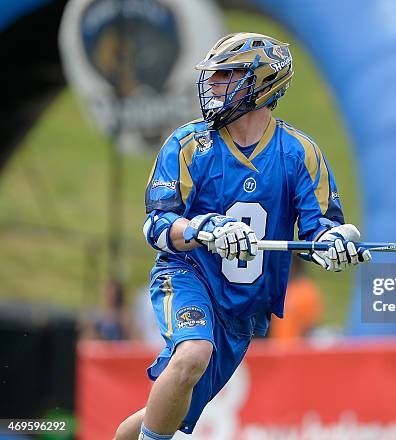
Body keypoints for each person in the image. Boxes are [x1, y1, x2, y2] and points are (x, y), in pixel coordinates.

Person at [113, 32, 371, 440]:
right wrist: (204, 229)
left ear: (262, 83)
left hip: (244, 308)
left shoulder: (298, 153)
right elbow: (156, 226)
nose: (213, 85)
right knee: (193, 354)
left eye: (227, 75)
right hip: (188, 276)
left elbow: (319, 227)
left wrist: (334, 244)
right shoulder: (188, 145)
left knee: (167, 404)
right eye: (214, 75)